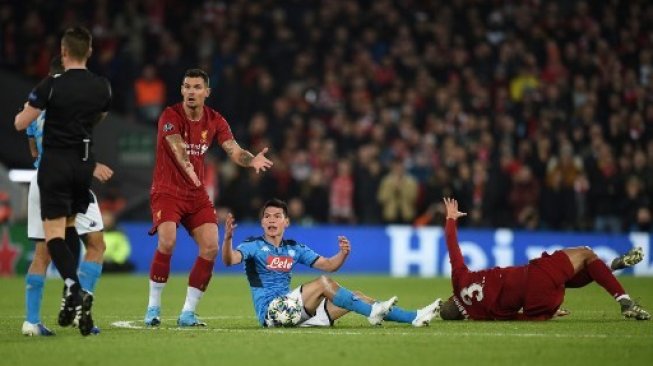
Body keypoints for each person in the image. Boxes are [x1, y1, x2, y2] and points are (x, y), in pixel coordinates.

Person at [144, 68, 273, 327]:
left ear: (207, 92)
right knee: (167, 242)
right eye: (187, 86)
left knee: (212, 247)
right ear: (182, 90)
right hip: (167, 190)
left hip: (196, 194)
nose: (191, 92)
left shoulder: (215, 120)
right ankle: (153, 308)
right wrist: (188, 165)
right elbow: (177, 146)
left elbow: (233, 150)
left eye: (197, 87)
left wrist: (251, 160)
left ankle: (188, 313)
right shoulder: (170, 115)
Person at [14, 26, 112, 336]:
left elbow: (24, 130)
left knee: (88, 241)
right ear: (90, 52)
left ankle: (77, 296)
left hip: (52, 172)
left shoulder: (48, 90)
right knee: (61, 243)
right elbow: (99, 118)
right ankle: (35, 318)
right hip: (80, 168)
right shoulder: (100, 88)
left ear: (62, 52)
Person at [222, 198, 441, 327]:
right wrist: (228, 238)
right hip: (271, 312)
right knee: (323, 283)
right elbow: (230, 259)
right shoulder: (252, 245)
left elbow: (329, 264)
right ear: (261, 222)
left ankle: (413, 316)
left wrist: (342, 254)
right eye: (267, 216)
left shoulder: (293, 248)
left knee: (356, 296)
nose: (271, 220)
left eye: (277, 216)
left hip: (294, 311)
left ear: (286, 222)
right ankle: (373, 313)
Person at [439, 197, 650, 321]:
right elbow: (453, 246)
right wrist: (450, 219)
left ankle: (611, 267)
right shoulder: (459, 280)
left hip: (539, 305)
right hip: (533, 275)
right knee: (586, 253)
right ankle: (625, 301)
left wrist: (545, 312)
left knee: (566, 277)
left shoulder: (479, 316)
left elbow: (515, 317)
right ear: (451, 298)